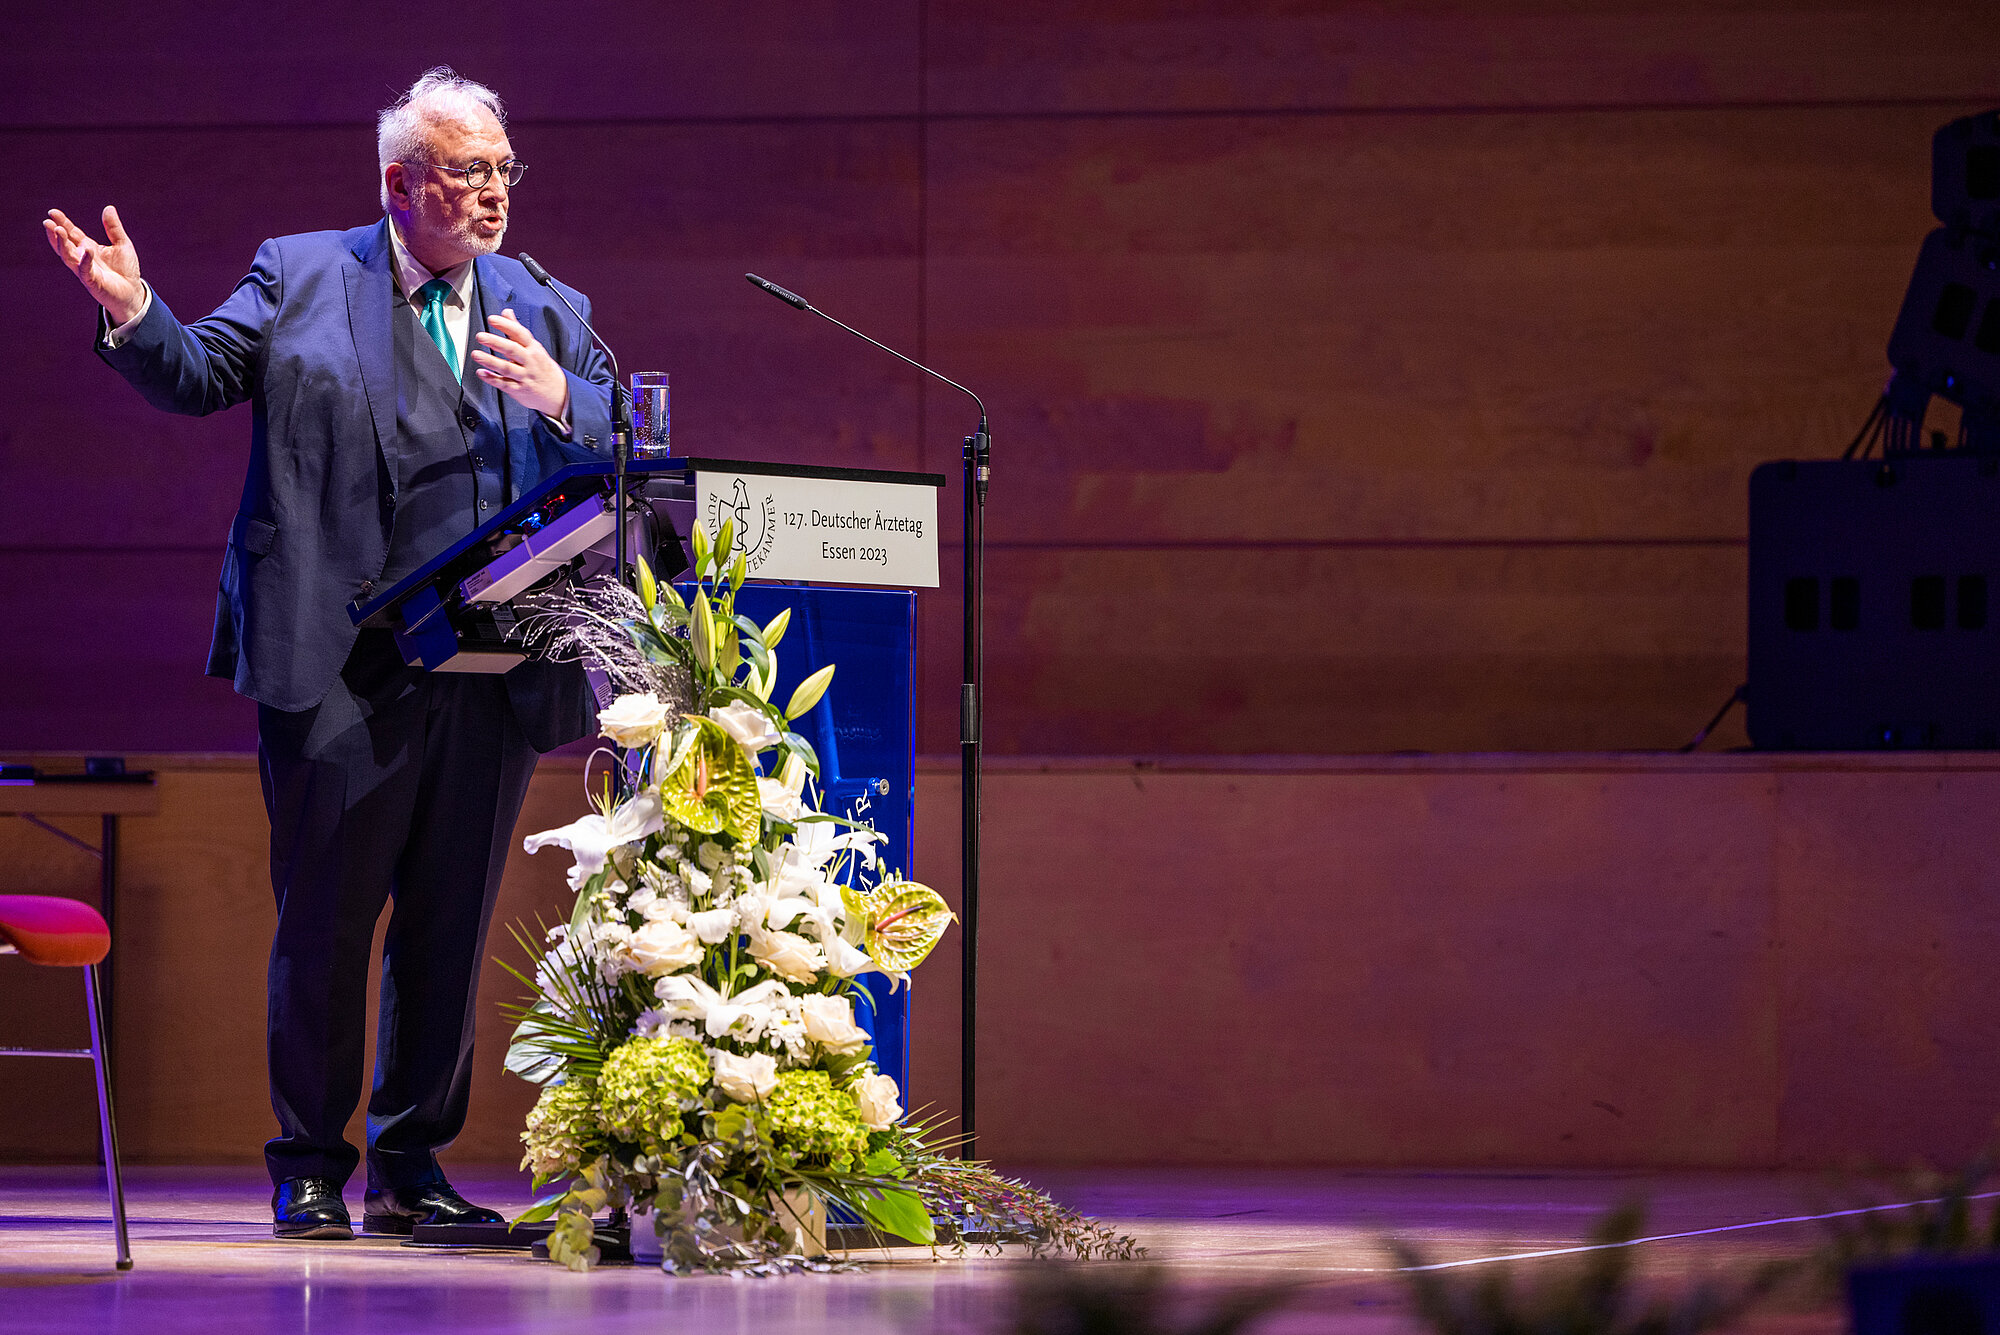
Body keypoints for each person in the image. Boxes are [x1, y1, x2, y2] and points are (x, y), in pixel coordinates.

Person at [43, 68, 612, 1240]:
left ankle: (414, 1168)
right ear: (400, 184)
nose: (495, 193)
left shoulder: (546, 304)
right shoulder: (301, 273)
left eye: (505, 169)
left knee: (447, 925)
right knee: (326, 921)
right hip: (340, 664)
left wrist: (567, 401)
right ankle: (308, 1163)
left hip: (491, 668)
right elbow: (199, 374)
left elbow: (628, 432)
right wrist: (133, 310)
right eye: (469, 171)